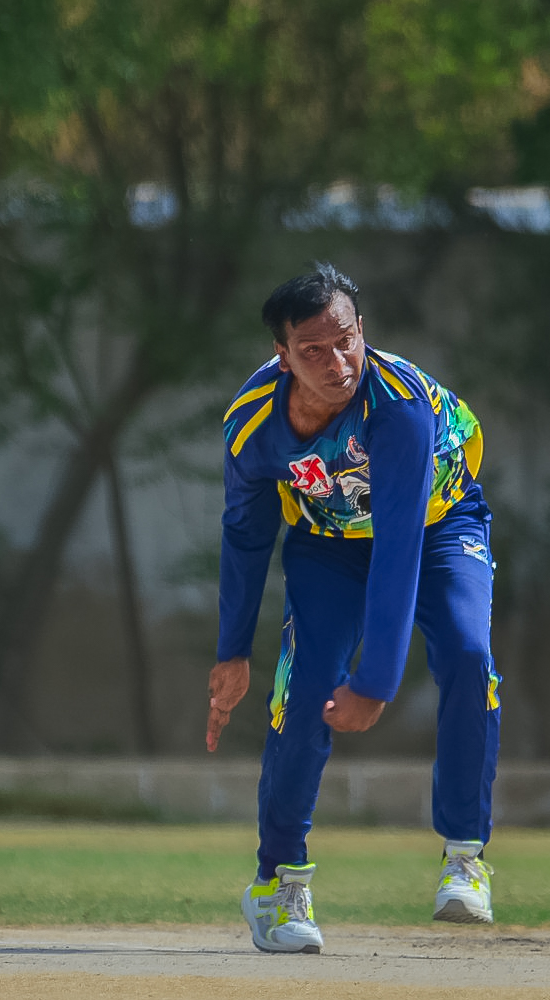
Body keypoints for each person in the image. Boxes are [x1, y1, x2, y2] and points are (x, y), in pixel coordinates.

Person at [206, 263, 502, 954]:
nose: (337, 363)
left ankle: (464, 858)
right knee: (305, 688)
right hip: (328, 543)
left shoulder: (398, 407)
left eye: (345, 341)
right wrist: (232, 652)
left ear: (361, 329)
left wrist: (376, 682)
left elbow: (398, 544)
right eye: (312, 351)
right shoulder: (253, 424)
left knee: (468, 653)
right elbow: (246, 534)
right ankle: (277, 884)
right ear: (282, 356)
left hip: (437, 526)